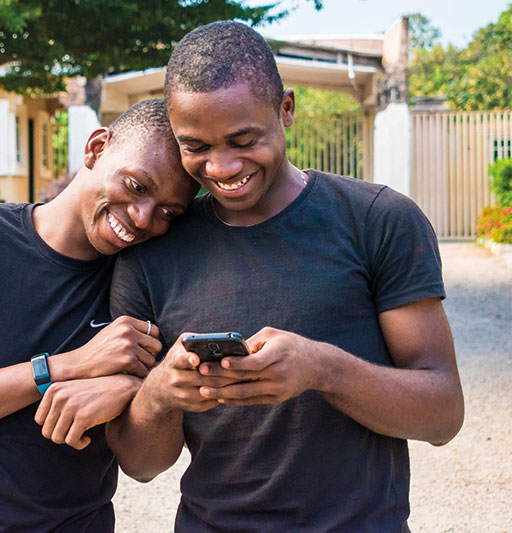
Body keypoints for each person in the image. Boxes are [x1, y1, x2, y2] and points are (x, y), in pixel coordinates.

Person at [107, 21, 465, 532]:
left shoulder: (378, 220)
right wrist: (162, 391)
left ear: (287, 109)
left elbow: (443, 415)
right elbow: (140, 465)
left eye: (243, 139)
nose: (222, 167)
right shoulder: (151, 252)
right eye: (197, 146)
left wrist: (321, 368)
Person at [0, 98, 198, 531]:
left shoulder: (145, 286)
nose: (142, 218)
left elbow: (143, 466)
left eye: (167, 212)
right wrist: (61, 369)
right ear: (96, 149)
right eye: (137, 186)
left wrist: (136, 389)